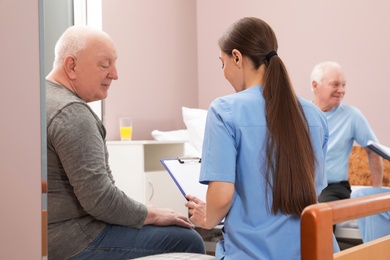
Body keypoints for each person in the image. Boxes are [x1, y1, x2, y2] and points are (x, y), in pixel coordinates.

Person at [46, 25, 206, 260]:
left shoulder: (40, 99)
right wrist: (151, 214)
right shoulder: (72, 113)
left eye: (114, 63)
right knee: (188, 239)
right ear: (71, 66)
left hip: (45, 237)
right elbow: (100, 200)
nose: (115, 74)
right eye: (104, 65)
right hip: (74, 240)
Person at [185, 17, 338, 259]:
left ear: (237, 57)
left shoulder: (224, 110)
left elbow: (222, 196)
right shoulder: (315, 116)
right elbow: (313, 189)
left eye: (222, 63)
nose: (224, 72)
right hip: (317, 250)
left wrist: (208, 217)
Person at [310, 61, 384, 203]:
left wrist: (376, 191)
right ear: (315, 85)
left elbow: (374, 151)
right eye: (335, 84)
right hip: (304, 186)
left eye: (344, 85)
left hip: (334, 188)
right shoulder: (303, 113)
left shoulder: (352, 116)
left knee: (320, 213)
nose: (342, 90)